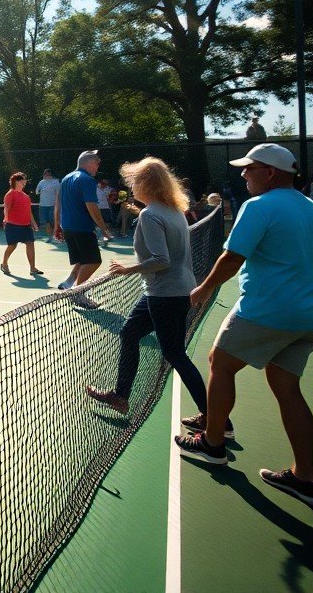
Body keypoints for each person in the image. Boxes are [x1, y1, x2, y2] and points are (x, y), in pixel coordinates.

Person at [176, 143, 313, 507]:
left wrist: (201, 290)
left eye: (249, 168)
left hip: (267, 311)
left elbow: (232, 257)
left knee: (220, 362)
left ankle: (213, 444)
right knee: (286, 386)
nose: (243, 174)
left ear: (270, 173)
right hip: (311, 316)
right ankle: (304, 478)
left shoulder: (259, 206)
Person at [85, 157, 212, 425]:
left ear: (145, 183)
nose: (131, 187)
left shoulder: (151, 214)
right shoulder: (173, 211)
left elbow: (161, 260)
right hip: (173, 290)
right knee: (130, 332)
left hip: (166, 293)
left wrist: (127, 270)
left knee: (175, 353)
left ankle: (215, 420)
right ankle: (120, 396)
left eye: (134, 182)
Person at [54, 150, 114, 309]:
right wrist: (104, 228)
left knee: (82, 260)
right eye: (96, 163)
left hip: (68, 227)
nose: (98, 166)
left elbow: (58, 204)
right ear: (87, 163)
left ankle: (68, 284)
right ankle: (77, 293)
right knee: (94, 261)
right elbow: (91, 205)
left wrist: (57, 225)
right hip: (82, 228)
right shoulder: (87, 180)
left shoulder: (66, 178)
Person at [1, 172, 42, 276]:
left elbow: (29, 211)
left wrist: (34, 223)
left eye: (24, 180)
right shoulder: (10, 194)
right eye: (22, 180)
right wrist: (6, 220)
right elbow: (6, 208)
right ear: (16, 181)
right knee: (12, 246)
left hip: (26, 225)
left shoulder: (26, 197)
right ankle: (4, 263)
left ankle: (32, 268)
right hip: (12, 225)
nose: (25, 182)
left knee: (30, 244)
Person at [35, 168, 61, 242]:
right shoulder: (41, 182)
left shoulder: (55, 182)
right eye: (45, 173)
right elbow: (37, 191)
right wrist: (41, 191)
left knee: (53, 222)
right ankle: (50, 237)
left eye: (48, 173)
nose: (47, 175)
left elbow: (58, 193)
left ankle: (56, 237)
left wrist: (58, 204)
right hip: (42, 205)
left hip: (53, 205)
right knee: (46, 223)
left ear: (51, 174)